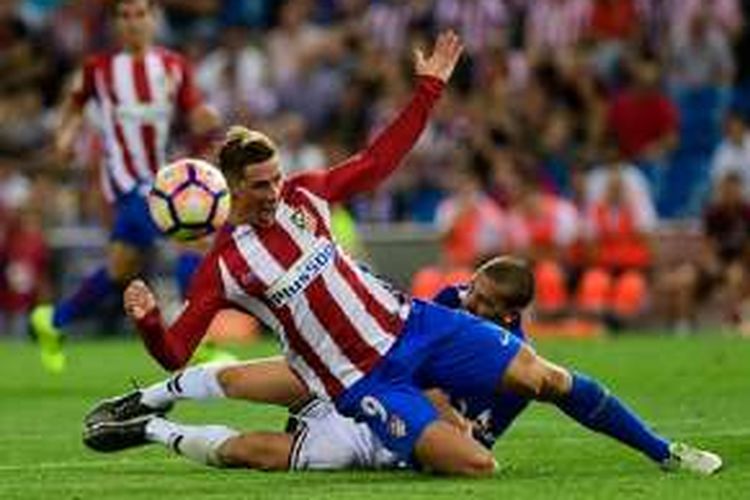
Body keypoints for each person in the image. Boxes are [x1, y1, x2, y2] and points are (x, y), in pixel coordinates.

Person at [90, 32, 720, 476]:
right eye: (261, 185)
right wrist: (146, 316)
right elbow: (176, 347)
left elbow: (377, 162)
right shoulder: (226, 266)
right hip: (365, 379)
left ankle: (665, 452)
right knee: (476, 466)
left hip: (415, 323)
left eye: (277, 176)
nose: (276, 189)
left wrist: (427, 93)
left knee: (543, 376)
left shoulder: (306, 196)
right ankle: (155, 414)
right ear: (227, 189)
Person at [84, 257, 716, 474]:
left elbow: (574, 393)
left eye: (484, 304)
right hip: (373, 382)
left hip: (383, 437)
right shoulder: (445, 307)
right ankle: (157, 395)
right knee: (274, 372)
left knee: (259, 455)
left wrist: (657, 448)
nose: (466, 300)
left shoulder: (515, 367)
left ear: (508, 319)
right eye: (471, 290)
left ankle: (150, 432)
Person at [29, 0, 221, 373]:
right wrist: (66, 137)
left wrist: (204, 118)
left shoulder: (173, 66)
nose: (133, 23)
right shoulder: (98, 68)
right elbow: (73, 105)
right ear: (116, 23)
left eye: (140, 14)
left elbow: (195, 110)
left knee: (121, 267)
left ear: (153, 19)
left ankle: (53, 320)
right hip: (126, 180)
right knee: (194, 240)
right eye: (125, 15)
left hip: (162, 176)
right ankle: (199, 343)